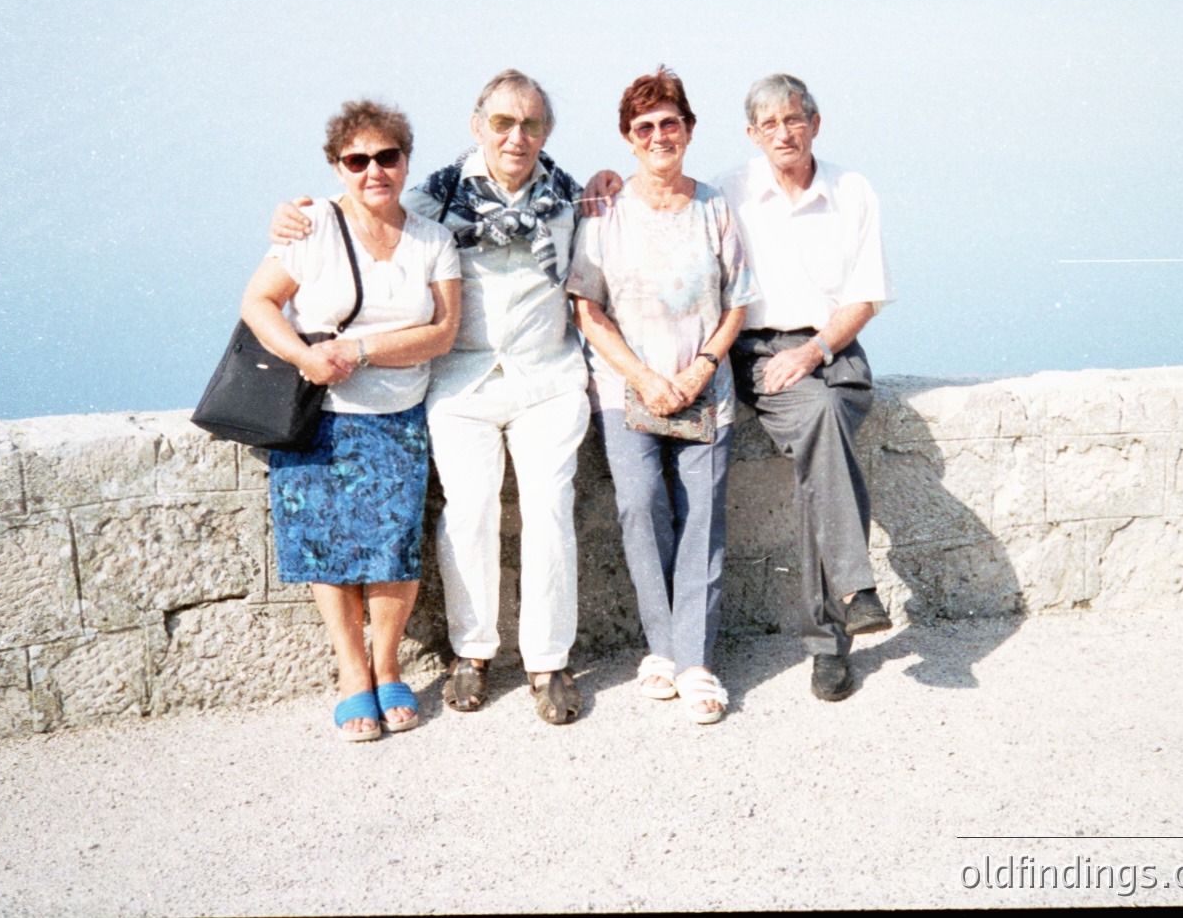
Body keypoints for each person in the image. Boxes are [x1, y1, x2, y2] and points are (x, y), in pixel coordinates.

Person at [269, 70, 594, 725]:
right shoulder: (432, 200)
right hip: (459, 380)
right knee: (468, 510)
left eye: (531, 123)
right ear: (477, 126)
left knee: (549, 508)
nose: (516, 135)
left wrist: (614, 182)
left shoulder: (574, 201)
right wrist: (295, 214)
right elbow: (364, 210)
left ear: (546, 132)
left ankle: (547, 661)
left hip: (546, 379)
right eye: (502, 122)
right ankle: (471, 651)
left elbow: (611, 253)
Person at [584, 72, 894, 702]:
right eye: (770, 124)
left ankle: (791, 635)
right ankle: (844, 609)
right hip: (748, 357)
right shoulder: (729, 188)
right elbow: (601, 282)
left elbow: (865, 294)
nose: (784, 132)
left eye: (795, 118)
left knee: (822, 425)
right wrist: (602, 179)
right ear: (751, 134)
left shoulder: (850, 190)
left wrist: (813, 350)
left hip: (825, 350)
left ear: (815, 121)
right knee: (814, 427)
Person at [240, 99, 461, 741]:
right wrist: (305, 355)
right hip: (319, 417)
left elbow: (442, 333)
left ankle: (388, 665)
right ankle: (351, 672)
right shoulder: (310, 228)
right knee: (326, 550)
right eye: (357, 159)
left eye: (386, 157)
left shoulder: (432, 239)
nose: (374, 171)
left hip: (397, 414)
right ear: (338, 167)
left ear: (405, 160)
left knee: (393, 551)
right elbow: (258, 302)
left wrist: (359, 350)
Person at [566, 68, 755, 724]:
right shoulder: (604, 213)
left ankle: (694, 660)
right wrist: (643, 377)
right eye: (643, 127)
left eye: (668, 122)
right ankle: (662, 647)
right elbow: (588, 310)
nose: (657, 135)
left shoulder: (715, 207)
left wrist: (701, 367)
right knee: (642, 507)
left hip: (704, 389)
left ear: (689, 129)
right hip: (627, 391)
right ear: (627, 137)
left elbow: (738, 301)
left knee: (701, 517)